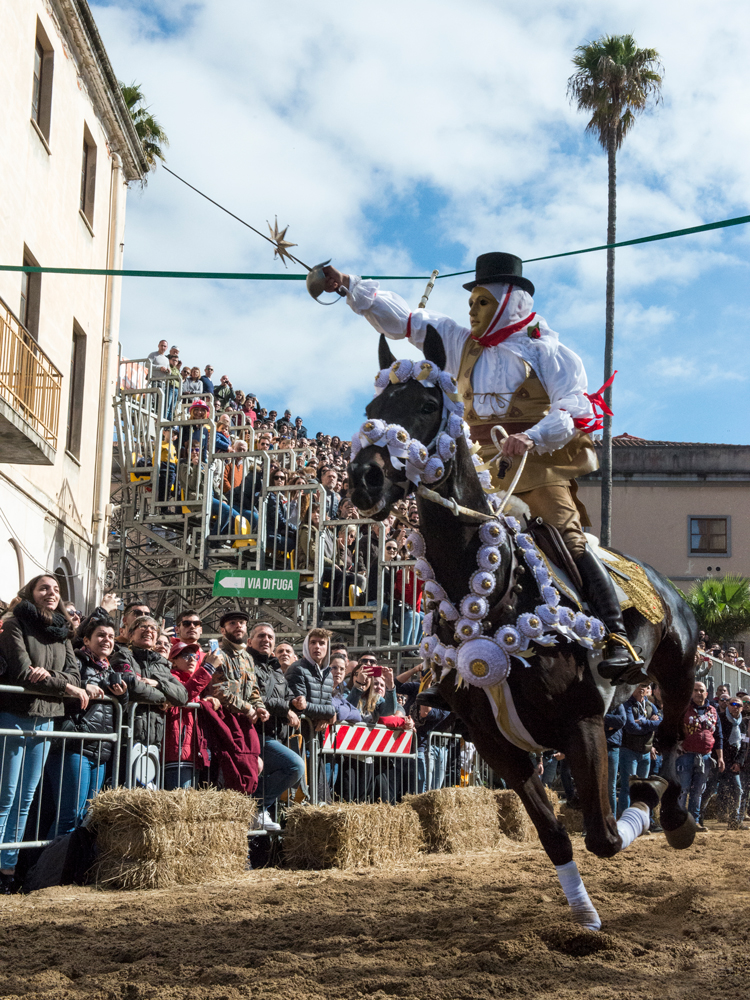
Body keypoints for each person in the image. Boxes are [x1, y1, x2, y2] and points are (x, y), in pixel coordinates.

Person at [323, 253, 644, 683]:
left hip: (538, 464)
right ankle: (444, 657)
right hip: (481, 467)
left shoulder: (549, 352)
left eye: (481, 302)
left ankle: (617, 635)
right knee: (453, 541)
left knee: (567, 535)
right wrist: (349, 287)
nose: (471, 311)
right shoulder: (460, 342)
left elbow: (574, 407)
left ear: (510, 301)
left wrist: (532, 436)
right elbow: (406, 320)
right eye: (471, 302)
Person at [0, 575, 88, 892]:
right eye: (44, 588)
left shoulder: (63, 631)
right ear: (31, 593)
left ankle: (7, 870)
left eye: (56, 590)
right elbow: (23, 672)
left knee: (24, 799)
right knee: (4, 797)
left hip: (46, 719)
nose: (51, 593)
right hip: (14, 715)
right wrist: (63, 684)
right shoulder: (13, 622)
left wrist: (51, 677)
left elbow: (74, 674)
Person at [45, 617, 130, 837]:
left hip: (100, 750)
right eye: (101, 635)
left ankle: (68, 868)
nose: (107, 640)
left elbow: (118, 710)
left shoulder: (110, 669)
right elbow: (59, 682)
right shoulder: (77, 661)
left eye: (111, 636)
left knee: (84, 817)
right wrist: (83, 686)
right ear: (86, 639)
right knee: (69, 817)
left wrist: (123, 696)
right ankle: (48, 870)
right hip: (74, 747)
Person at [110, 616, 189, 773]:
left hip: (153, 742)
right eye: (143, 626)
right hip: (126, 740)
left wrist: (160, 684)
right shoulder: (122, 656)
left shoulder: (161, 664)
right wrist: (164, 697)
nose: (148, 631)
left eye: (153, 628)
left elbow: (183, 695)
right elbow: (132, 685)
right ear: (130, 635)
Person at [246, 623, 306, 827]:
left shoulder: (275, 669)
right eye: (261, 635)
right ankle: (256, 805)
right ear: (249, 641)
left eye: (270, 637)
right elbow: (255, 696)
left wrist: (296, 703)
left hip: (274, 734)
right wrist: (285, 708)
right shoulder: (246, 663)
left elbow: (286, 696)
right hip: (255, 734)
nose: (266, 640)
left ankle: (257, 808)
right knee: (294, 766)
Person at [164, 641, 219, 790]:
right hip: (178, 752)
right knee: (180, 803)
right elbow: (184, 694)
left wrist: (204, 702)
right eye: (185, 655)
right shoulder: (171, 677)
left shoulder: (190, 681)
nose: (192, 659)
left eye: (194, 656)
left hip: (191, 752)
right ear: (173, 662)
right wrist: (208, 668)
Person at [676, 681, 724, 831]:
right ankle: (679, 821)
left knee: (698, 791)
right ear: (691, 693)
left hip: (705, 756)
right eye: (695, 690)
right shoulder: (684, 709)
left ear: (706, 694)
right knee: (683, 790)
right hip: (686, 755)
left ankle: (693, 822)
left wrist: (720, 757)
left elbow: (719, 735)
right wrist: (677, 745)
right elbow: (674, 728)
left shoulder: (713, 711)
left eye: (701, 690)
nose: (698, 693)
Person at [700, 695, 747, 830]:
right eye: (733, 704)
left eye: (738, 705)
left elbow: (744, 744)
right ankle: (699, 819)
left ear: (742, 708)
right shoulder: (719, 718)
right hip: (717, 762)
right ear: (728, 705)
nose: (735, 707)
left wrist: (739, 762)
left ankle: (735, 820)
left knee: (737, 790)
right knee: (708, 790)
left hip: (733, 764)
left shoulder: (742, 724)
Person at [618, 683, 661, 817]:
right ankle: (625, 818)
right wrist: (651, 725)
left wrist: (642, 722)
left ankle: (639, 818)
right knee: (628, 787)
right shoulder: (626, 704)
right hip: (629, 751)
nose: (642, 689)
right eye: (638, 686)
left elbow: (660, 722)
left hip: (645, 752)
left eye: (644, 686)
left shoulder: (649, 705)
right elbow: (631, 727)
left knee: (641, 790)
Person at [285, 628, 335, 730]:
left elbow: (328, 703)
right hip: (298, 732)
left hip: (316, 734)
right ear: (307, 646)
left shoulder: (328, 675)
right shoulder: (297, 669)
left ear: (327, 647)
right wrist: (330, 712)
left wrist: (325, 718)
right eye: (313, 642)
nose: (317, 646)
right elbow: (300, 706)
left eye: (322, 643)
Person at [604, 701, 626, 817]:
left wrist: (603, 718)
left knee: (611, 786)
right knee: (594, 786)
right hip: (597, 747)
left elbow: (622, 720)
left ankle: (612, 818)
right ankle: (591, 823)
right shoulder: (597, 701)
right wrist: (610, 725)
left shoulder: (618, 704)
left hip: (613, 748)